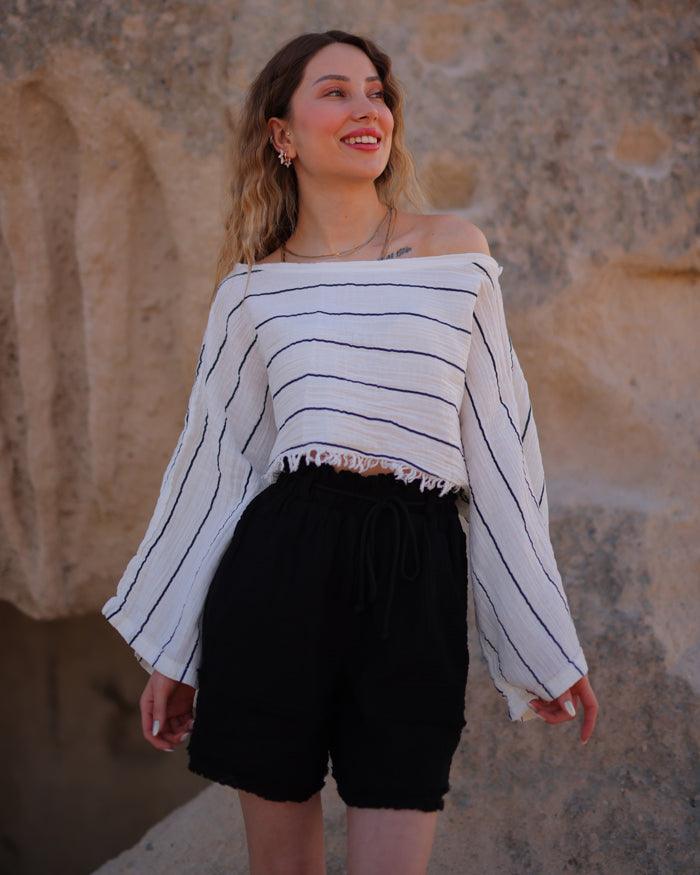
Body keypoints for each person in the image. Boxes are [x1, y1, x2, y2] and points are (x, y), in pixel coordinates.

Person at [101, 30, 599, 875]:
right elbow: (216, 468)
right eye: (334, 91)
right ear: (281, 134)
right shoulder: (252, 291)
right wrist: (175, 650)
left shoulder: (455, 255)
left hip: (417, 567)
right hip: (280, 566)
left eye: (376, 91)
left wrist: (542, 638)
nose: (367, 107)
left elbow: (503, 452)